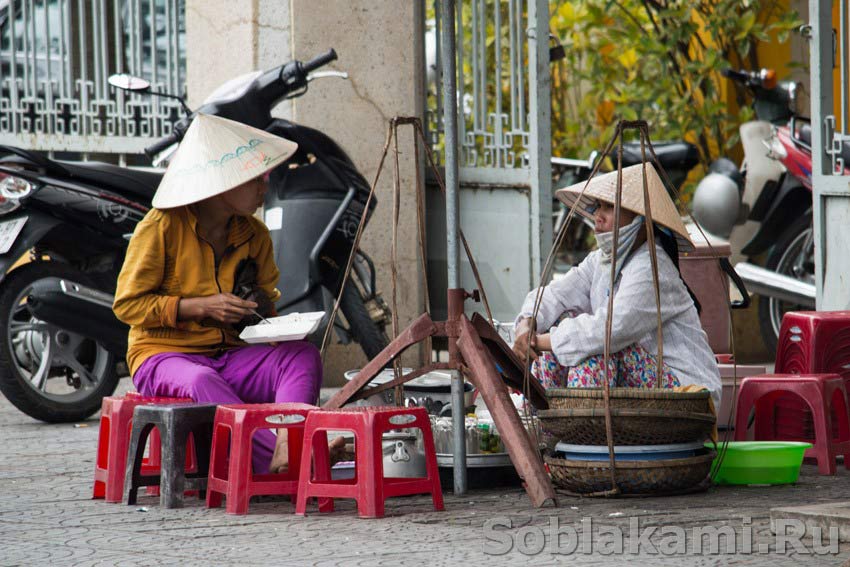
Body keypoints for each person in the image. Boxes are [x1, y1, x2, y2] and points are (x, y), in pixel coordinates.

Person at [113, 114, 341, 474]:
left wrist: (263, 316)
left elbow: (267, 300)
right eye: (255, 180)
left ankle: (290, 441)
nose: (264, 189)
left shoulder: (255, 235)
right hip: (163, 356)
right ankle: (285, 457)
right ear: (221, 184)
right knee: (202, 380)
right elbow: (127, 305)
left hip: (231, 354)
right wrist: (200, 307)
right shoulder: (160, 228)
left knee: (301, 356)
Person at [512, 163, 721, 406]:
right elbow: (556, 295)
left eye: (609, 207)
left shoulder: (653, 268)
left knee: (593, 351)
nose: (597, 217)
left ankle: (588, 436)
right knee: (561, 330)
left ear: (640, 220)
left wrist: (539, 341)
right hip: (645, 386)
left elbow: (610, 330)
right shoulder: (601, 262)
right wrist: (527, 325)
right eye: (598, 207)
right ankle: (551, 429)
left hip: (688, 392)